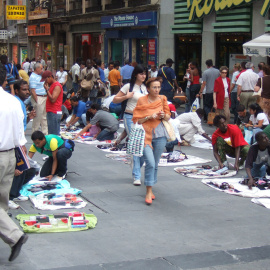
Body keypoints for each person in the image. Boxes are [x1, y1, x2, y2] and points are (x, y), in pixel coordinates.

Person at [0, 63, 29, 261]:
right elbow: (20, 135)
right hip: (10, 155)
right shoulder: (12, 101)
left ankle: (14, 236)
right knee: (1, 202)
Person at [132, 77, 170, 205]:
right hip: (145, 135)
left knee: (156, 163)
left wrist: (164, 116)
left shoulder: (163, 99)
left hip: (160, 134)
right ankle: (148, 191)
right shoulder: (142, 100)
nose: (157, 90)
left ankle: (151, 187)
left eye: (159, 87)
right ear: (148, 88)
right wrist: (149, 116)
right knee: (151, 163)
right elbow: (137, 119)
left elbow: (168, 115)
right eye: (154, 87)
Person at [113, 64, 148, 185]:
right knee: (135, 144)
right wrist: (126, 96)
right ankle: (136, 175)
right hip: (130, 117)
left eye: (145, 73)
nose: (143, 76)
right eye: (141, 73)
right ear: (135, 75)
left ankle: (136, 169)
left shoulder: (145, 87)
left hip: (143, 119)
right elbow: (115, 100)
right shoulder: (129, 86)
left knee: (144, 146)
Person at [41, 70, 63, 135]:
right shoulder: (52, 85)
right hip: (51, 111)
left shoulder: (57, 86)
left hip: (54, 112)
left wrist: (47, 89)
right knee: (51, 132)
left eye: (46, 79)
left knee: (54, 134)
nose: (45, 81)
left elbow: (53, 99)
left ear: (50, 77)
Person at [29, 63, 48, 134]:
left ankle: (45, 133)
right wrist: (37, 101)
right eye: (41, 68)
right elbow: (33, 90)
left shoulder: (39, 76)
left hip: (43, 97)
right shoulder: (33, 77)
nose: (42, 70)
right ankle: (35, 132)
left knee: (44, 117)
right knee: (37, 117)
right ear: (37, 68)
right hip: (38, 97)